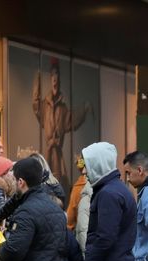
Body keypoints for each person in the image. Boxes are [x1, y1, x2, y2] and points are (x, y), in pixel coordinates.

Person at [32, 58, 91, 187]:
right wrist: (37, 78)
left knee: (60, 182)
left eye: (57, 75)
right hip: (48, 152)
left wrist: (84, 108)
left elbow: (72, 119)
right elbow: (35, 103)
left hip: (58, 155)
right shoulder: (44, 106)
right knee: (44, 181)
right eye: (52, 75)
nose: (54, 79)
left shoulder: (63, 109)